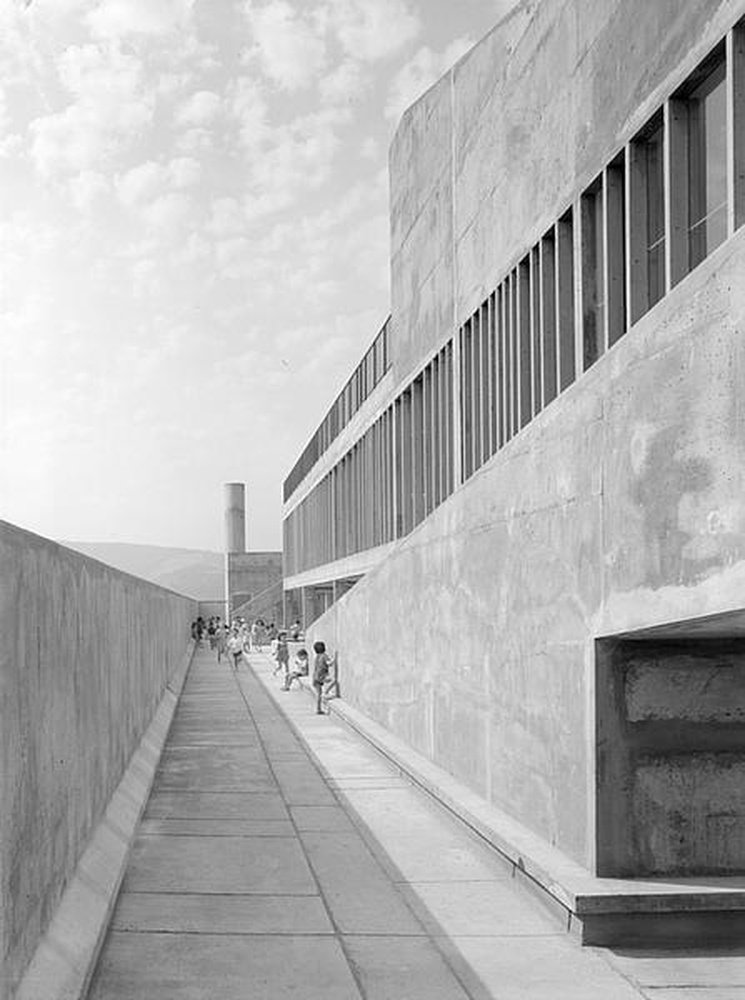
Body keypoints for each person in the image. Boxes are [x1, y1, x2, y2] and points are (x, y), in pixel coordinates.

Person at [312, 640, 336, 715]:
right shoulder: (324, 655)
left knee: (318, 694)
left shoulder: (317, 657)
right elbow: (329, 664)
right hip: (321, 676)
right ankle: (326, 693)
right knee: (333, 681)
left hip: (315, 677)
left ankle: (318, 709)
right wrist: (334, 659)